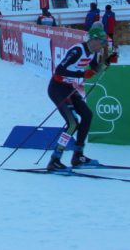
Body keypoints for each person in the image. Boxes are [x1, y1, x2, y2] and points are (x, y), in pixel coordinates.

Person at [46, 25, 117, 171]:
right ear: (94, 39)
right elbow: (59, 70)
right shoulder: (78, 50)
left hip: (68, 88)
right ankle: (54, 160)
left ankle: (78, 156)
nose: (103, 46)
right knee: (72, 123)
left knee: (87, 115)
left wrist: (108, 62)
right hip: (57, 88)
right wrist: (82, 75)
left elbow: (95, 69)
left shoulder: (91, 53)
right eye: (102, 42)